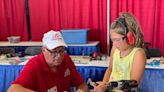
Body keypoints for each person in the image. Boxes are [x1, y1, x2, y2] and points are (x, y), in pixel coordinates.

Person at [7, 30, 88, 92]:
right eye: (54, 51)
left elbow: (82, 85)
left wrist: (82, 90)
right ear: (43, 50)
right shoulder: (34, 64)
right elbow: (12, 89)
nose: (59, 56)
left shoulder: (66, 59)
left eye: (61, 51)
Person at [94, 12, 146, 92]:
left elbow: (134, 84)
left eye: (117, 40)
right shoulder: (115, 49)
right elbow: (110, 69)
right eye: (113, 40)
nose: (114, 44)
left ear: (130, 37)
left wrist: (107, 86)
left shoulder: (138, 54)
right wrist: (103, 84)